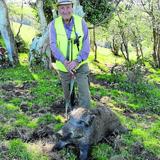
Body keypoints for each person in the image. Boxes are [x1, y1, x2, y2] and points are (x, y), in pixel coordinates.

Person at [49, 0, 91, 109]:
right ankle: (72, 113)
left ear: (72, 8)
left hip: (80, 64)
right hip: (64, 66)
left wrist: (77, 61)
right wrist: (64, 61)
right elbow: (53, 45)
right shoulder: (54, 24)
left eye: (68, 7)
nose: (65, 11)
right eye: (62, 8)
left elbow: (86, 43)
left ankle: (86, 118)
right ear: (58, 9)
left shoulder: (81, 22)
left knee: (84, 94)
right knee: (68, 95)